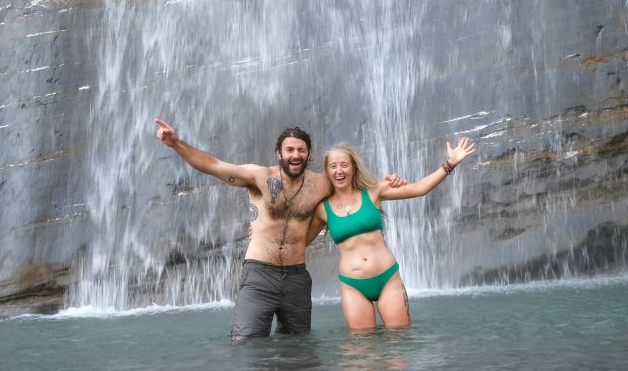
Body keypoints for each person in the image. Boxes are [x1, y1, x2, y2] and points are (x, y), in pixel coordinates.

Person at [154, 119, 402, 341]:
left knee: (298, 347)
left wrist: (390, 181)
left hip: (297, 278)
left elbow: (353, 183)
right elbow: (214, 166)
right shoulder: (259, 176)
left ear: (309, 154)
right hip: (260, 275)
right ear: (279, 153)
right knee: (244, 343)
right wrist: (177, 144)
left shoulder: (321, 183)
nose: (296, 155)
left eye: (301, 150)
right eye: (290, 150)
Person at [312, 137, 475, 331]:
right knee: (362, 352)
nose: (339, 171)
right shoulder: (322, 209)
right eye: (333, 166)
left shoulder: (374, 191)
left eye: (344, 165)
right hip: (352, 286)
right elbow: (299, 241)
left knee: (399, 342)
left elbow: (419, 189)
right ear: (327, 171)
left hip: (387, 279)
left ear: (353, 168)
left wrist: (450, 163)